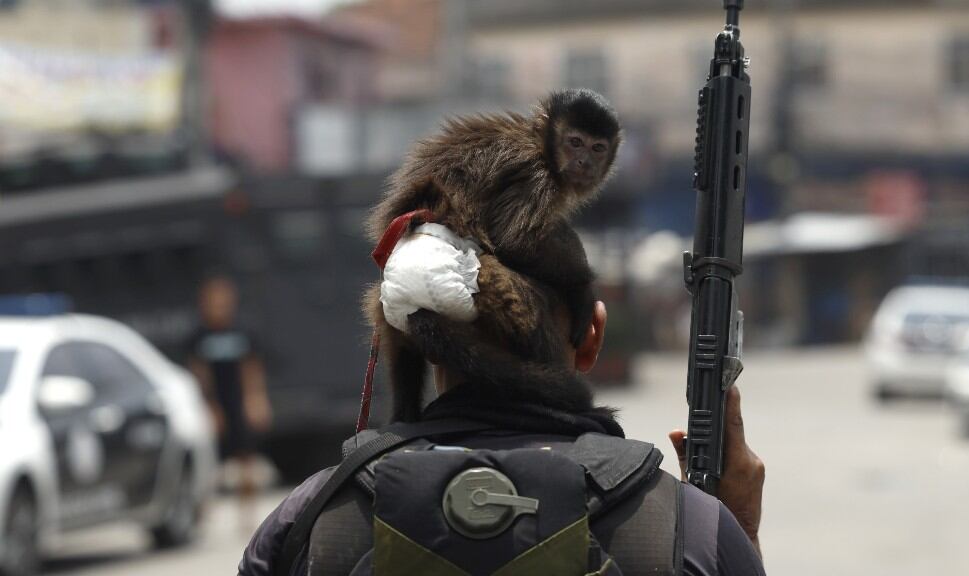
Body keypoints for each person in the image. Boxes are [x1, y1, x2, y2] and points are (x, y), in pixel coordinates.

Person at [238, 226, 765, 575]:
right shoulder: (684, 527)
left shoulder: (312, 520)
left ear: (427, 337)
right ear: (592, 337)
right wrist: (735, 526)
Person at [187, 276, 272, 529]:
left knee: (246, 462)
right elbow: (198, 372)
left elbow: (252, 368)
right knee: (209, 462)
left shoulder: (242, 331)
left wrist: (256, 400)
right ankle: (201, 513)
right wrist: (209, 406)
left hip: (239, 402)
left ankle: (246, 515)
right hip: (214, 403)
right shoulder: (198, 335)